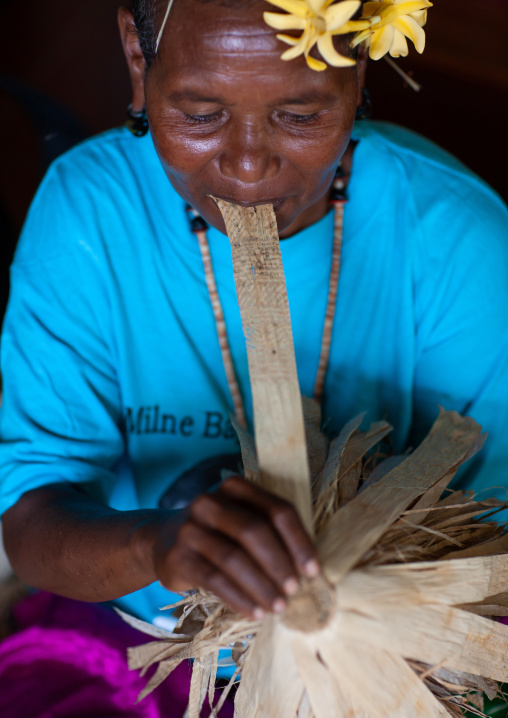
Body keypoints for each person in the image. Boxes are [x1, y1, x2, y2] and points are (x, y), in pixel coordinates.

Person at [0, 0, 507, 714]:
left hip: (391, 658)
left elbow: (488, 550)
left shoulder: (457, 241)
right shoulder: (90, 212)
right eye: (200, 115)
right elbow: (31, 520)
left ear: (359, 70)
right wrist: (156, 545)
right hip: (136, 635)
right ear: (138, 60)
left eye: (300, 115)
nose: (247, 165)